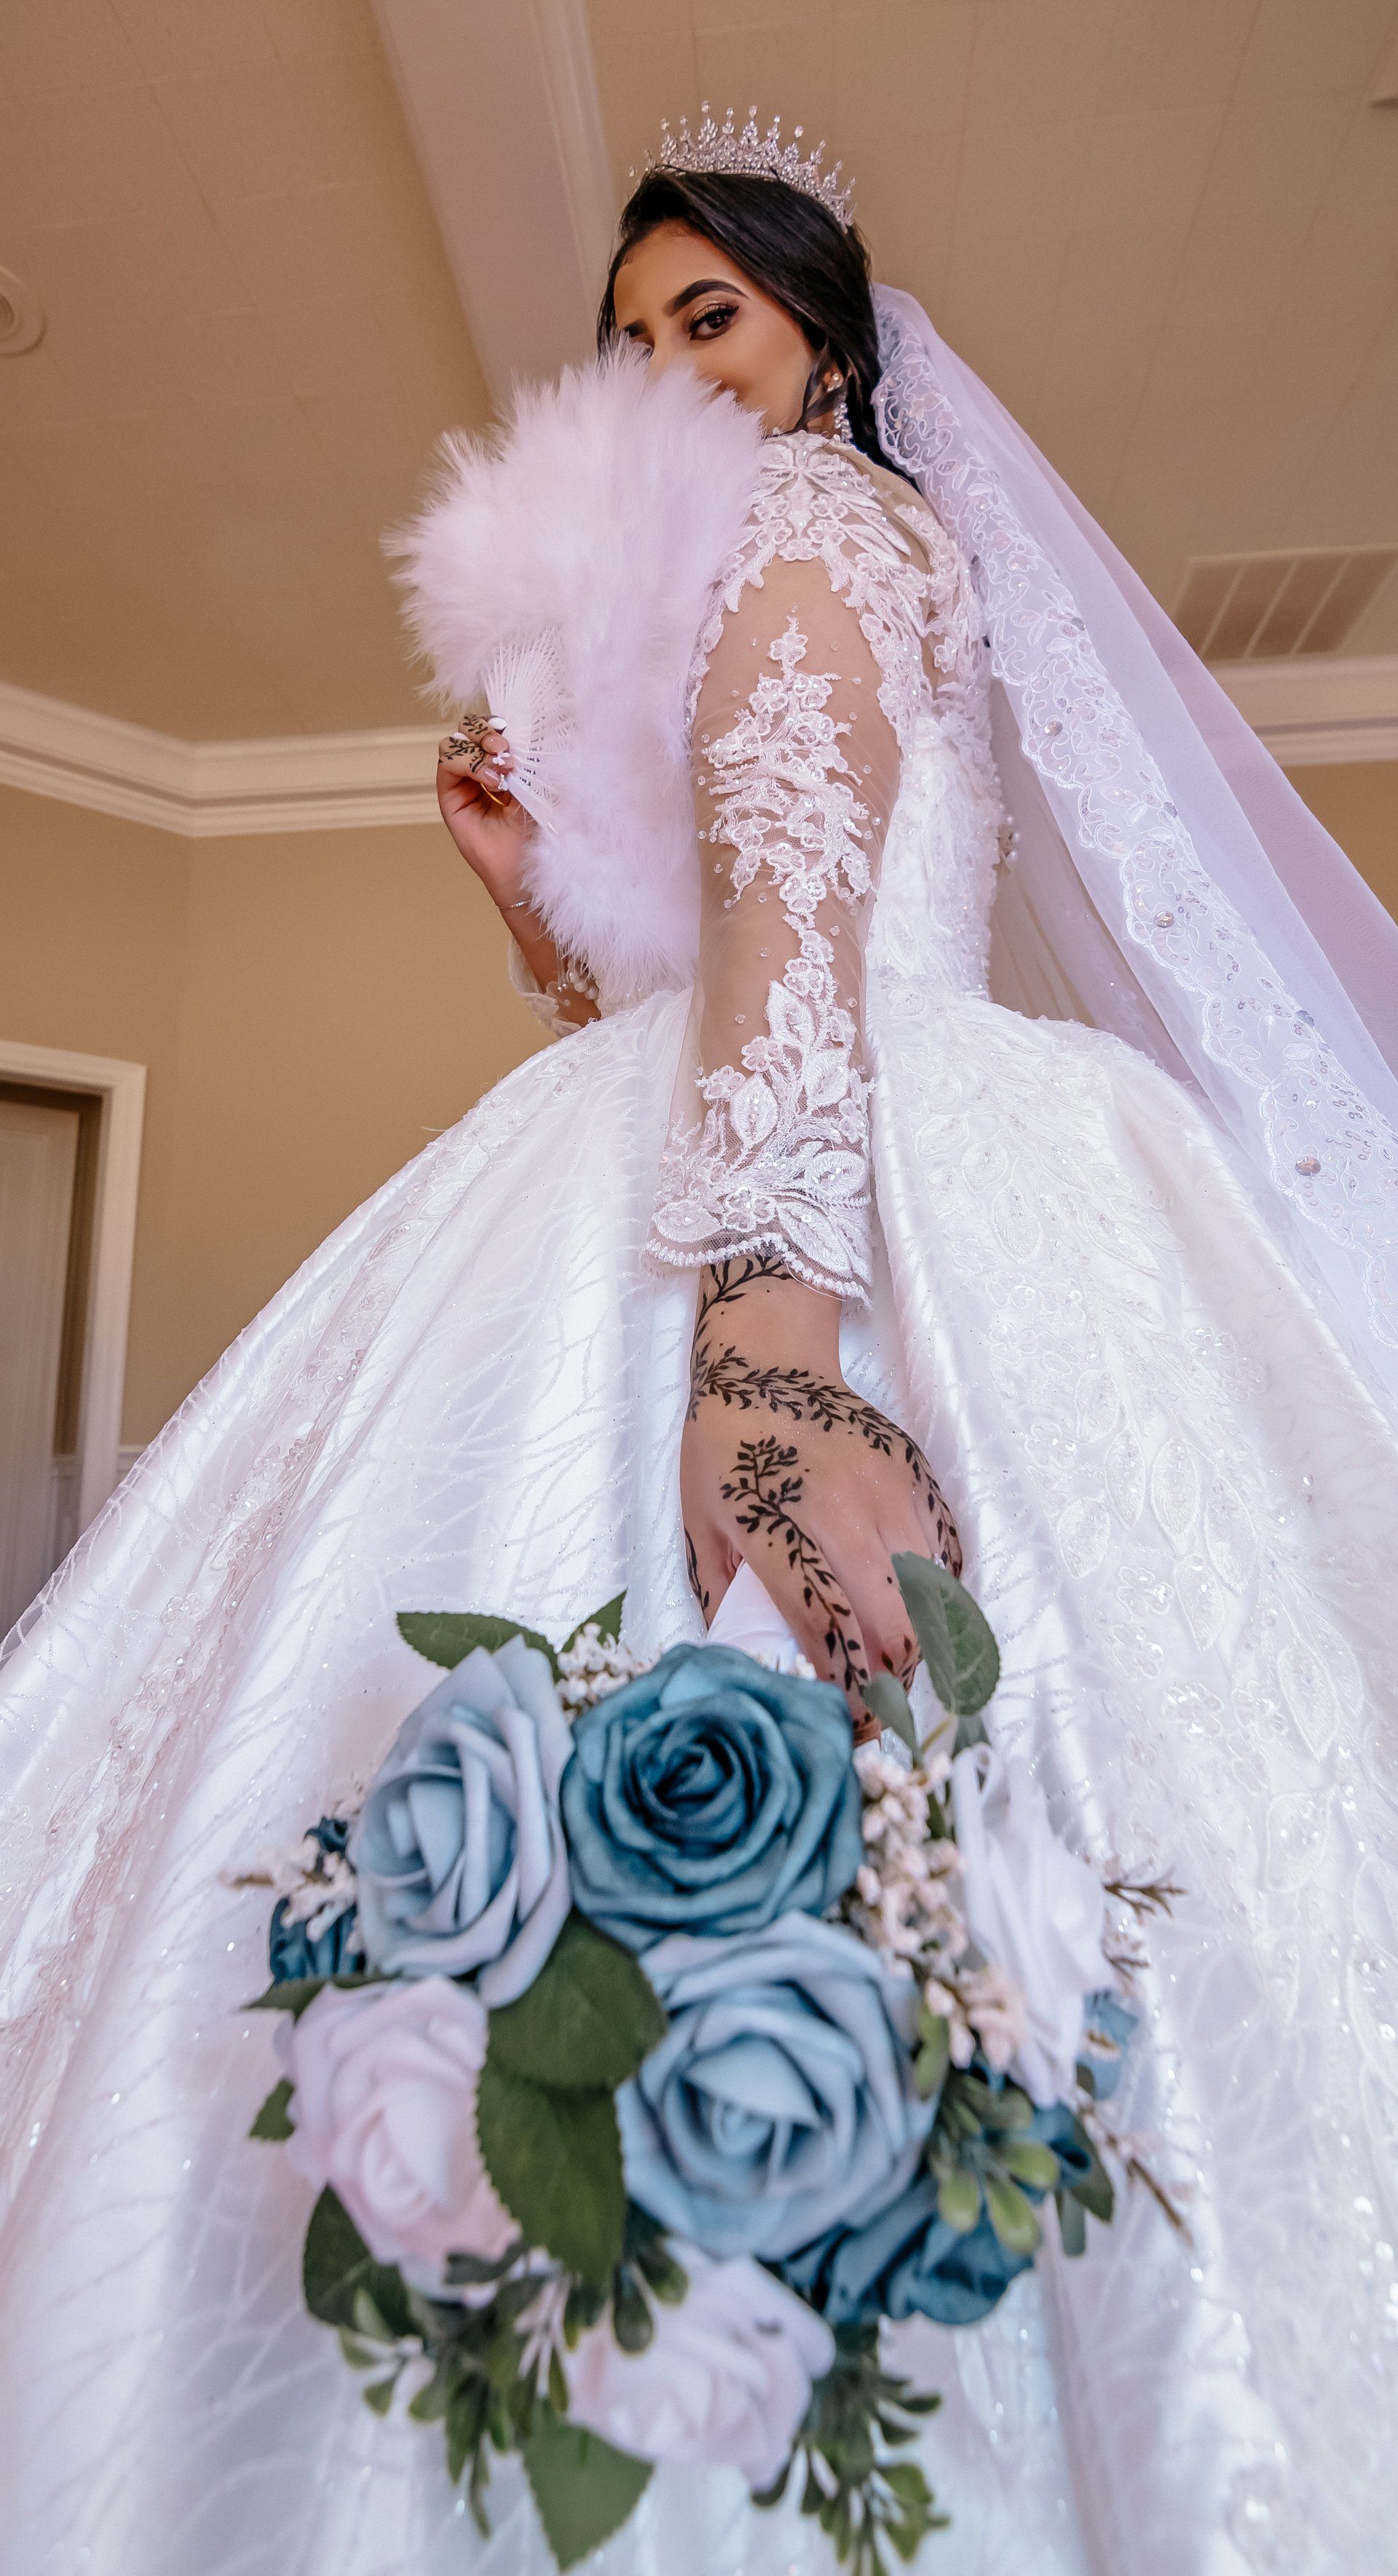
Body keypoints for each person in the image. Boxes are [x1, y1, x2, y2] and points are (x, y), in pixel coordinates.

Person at [1, 108, 1397, 2576]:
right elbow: (713, 945)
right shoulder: (779, 576)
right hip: (764, 1099)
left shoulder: (826, 519)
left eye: (710, 319)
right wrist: (535, 900)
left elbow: (793, 957)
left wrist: (768, 1362)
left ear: (828, 346)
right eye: (626, 338)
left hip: (847, 1169)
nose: (660, 374)